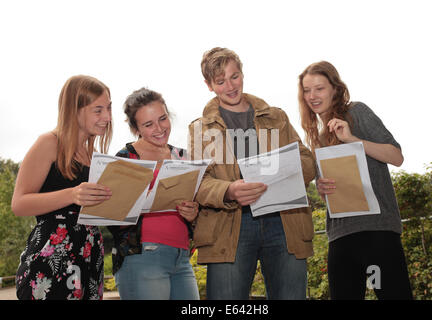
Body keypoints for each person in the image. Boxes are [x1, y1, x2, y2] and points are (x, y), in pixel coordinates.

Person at [188, 47, 316, 300]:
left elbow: (308, 162)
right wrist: (229, 190)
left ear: (242, 74)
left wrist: (285, 171)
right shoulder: (199, 129)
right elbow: (198, 183)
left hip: (284, 221)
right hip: (228, 226)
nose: (230, 86)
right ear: (209, 85)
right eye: (220, 81)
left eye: (234, 76)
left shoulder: (276, 117)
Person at [298, 61, 413, 300]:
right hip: (340, 237)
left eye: (319, 88)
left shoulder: (357, 113)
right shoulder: (318, 138)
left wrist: (352, 139)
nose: (312, 96)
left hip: (377, 234)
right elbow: (330, 192)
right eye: (307, 90)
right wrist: (321, 188)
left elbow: (396, 156)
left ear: (335, 89)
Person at [12, 75, 113, 300]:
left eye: (108, 108)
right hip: (52, 256)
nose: (107, 117)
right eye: (98, 110)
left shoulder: (95, 157)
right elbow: (19, 204)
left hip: (89, 255)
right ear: (73, 110)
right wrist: (73, 194)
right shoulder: (49, 143)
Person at [109, 88, 200, 300]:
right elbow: (111, 220)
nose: (159, 129)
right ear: (135, 128)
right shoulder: (126, 158)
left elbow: (196, 211)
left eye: (163, 119)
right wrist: (141, 203)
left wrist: (193, 212)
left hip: (182, 258)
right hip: (142, 259)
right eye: (148, 125)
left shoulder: (182, 157)